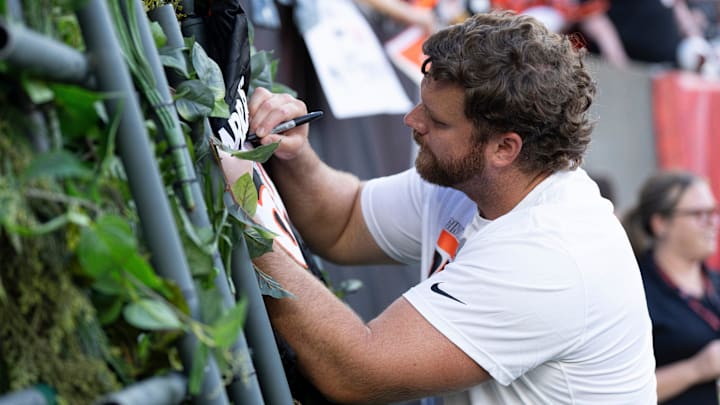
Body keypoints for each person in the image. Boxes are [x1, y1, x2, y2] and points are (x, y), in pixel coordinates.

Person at [232, 10, 657, 403]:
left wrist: (241, 216)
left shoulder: (550, 254)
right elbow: (343, 224)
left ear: (504, 148)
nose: (412, 120)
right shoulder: (472, 180)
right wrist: (293, 155)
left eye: (437, 120)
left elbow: (355, 370)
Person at [622, 170, 720, 404]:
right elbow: (619, 390)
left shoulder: (715, 281)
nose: (712, 222)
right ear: (660, 224)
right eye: (699, 213)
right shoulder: (635, 292)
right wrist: (696, 369)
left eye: (713, 212)